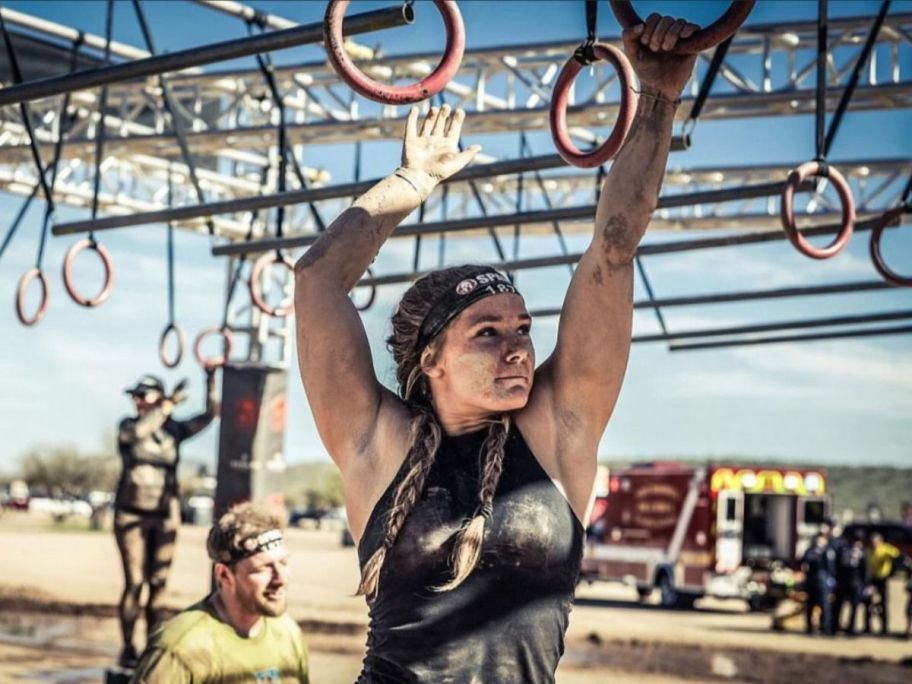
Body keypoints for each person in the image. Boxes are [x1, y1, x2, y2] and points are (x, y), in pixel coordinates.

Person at [294, 14, 699, 683]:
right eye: (487, 332)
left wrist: (659, 97)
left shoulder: (557, 430)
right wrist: (411, 182)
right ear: (432, 360)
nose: (516, 348)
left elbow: (615, 247)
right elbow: (317, 281)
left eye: (522, 329)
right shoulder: (377, 443)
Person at [130, 502, 309, 683]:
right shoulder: (179, 650)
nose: (281, 579)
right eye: (263, 568)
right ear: (224, 575)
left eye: (284, 563)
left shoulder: (287, 633)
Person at [114, 371, 219, 668]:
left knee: (159, 582)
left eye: (142, 394)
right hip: (130, 514)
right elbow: (136, 436)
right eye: (134, 396)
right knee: (135, 581)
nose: (136, 400)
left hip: (165, 515)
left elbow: (211, 414)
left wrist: (211, 377)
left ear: (157, 397)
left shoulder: (174, 430)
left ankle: (151, 645)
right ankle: (127, 646)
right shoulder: (129, 425)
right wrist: (165, 407)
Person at [866, 531, 901, 635]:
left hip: (882, 579)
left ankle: (884, 628)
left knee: (883, 603)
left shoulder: (885, 548)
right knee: (868, 603)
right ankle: (867, 627)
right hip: (872, 579)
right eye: (872, 542)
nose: (874, 544)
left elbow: (897, 554)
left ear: (880, 541)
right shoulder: (869, 551)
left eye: (876, 542)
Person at [800, 532, 835, 635]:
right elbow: (803, 563)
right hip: (811, 580)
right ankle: (809, 628)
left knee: (824, 605)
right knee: (809, 605)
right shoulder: (809, 551)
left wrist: (830, 580)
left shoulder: (827, 551)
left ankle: (825, 627)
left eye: (821, 539)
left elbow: (830, 568)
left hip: (823, 581)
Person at [834, 534, 868, 635]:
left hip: (856, 584)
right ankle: (835, 626)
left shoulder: (862, 555)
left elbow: (865, 571)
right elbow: (838, 567)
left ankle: (851, 628)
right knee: (838, 605)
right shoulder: (843, 552)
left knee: (854, 607)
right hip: (843, 583)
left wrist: (865, 585)